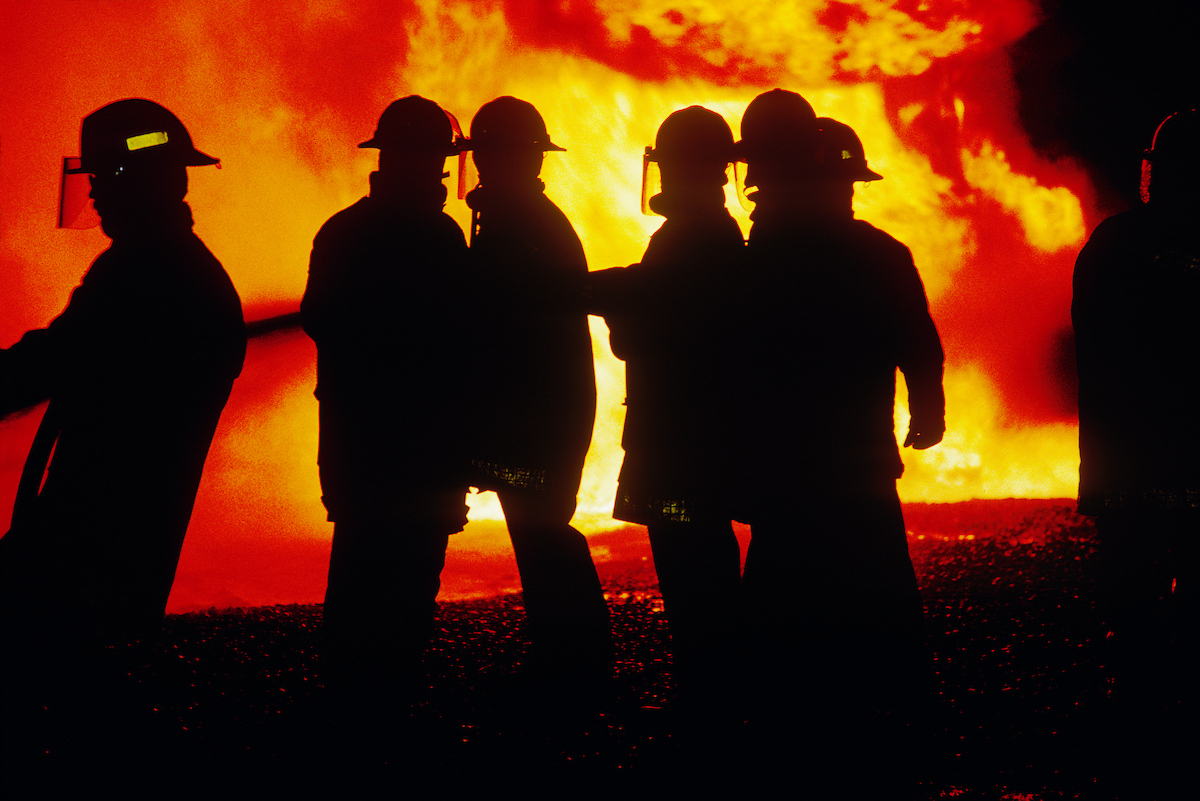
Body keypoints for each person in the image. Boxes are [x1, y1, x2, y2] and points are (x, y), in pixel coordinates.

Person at [0, 98, 245, 782]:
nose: (98, 193)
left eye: (109, 175)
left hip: (91, 543)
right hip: (113, 542)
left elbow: (53, 362)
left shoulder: (147, 275)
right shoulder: (166, 268)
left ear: (148, 179)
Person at [734, 92, 945, 795]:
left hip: (792, 467)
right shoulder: (877, 254)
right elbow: (919, 343)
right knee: (880, 591)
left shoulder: (762, 259)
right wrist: (927, 408)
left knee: (782, 595)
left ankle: (786, 725)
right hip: (854, 464)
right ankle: (900, 722)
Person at [300, 96, 472, 753]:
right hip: (423, 449)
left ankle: (351, 715)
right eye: (433, 163)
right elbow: (463, 346)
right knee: (407, 582)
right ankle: (384, 716)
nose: (434, 176)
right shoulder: (440, 238)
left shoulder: (343, 231)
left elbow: (320, 320)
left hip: (358, 444)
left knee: (361, 573)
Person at [586, 106, 744, 720]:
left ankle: (711, 695)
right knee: (701, 556)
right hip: (698, 440)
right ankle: (715, 686)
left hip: (680, 448)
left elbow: (648, 332)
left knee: (689, 558)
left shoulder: (688, 238)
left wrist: (604, 299)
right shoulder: (711, 234)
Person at [463, 96, 611, 710]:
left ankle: (574, 663)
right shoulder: (517, 221)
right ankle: (568, 658)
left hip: (537, 425)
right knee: (539, 525)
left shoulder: (519, 228)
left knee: (540, 525)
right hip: (542, 418)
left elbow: (501, 332)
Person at [1072, 108, 1199, 798]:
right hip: (1185, 468)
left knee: (1132, 610)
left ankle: (1135, 726)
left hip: (1125, 470)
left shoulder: (1115, 246)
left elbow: (1092, 345)